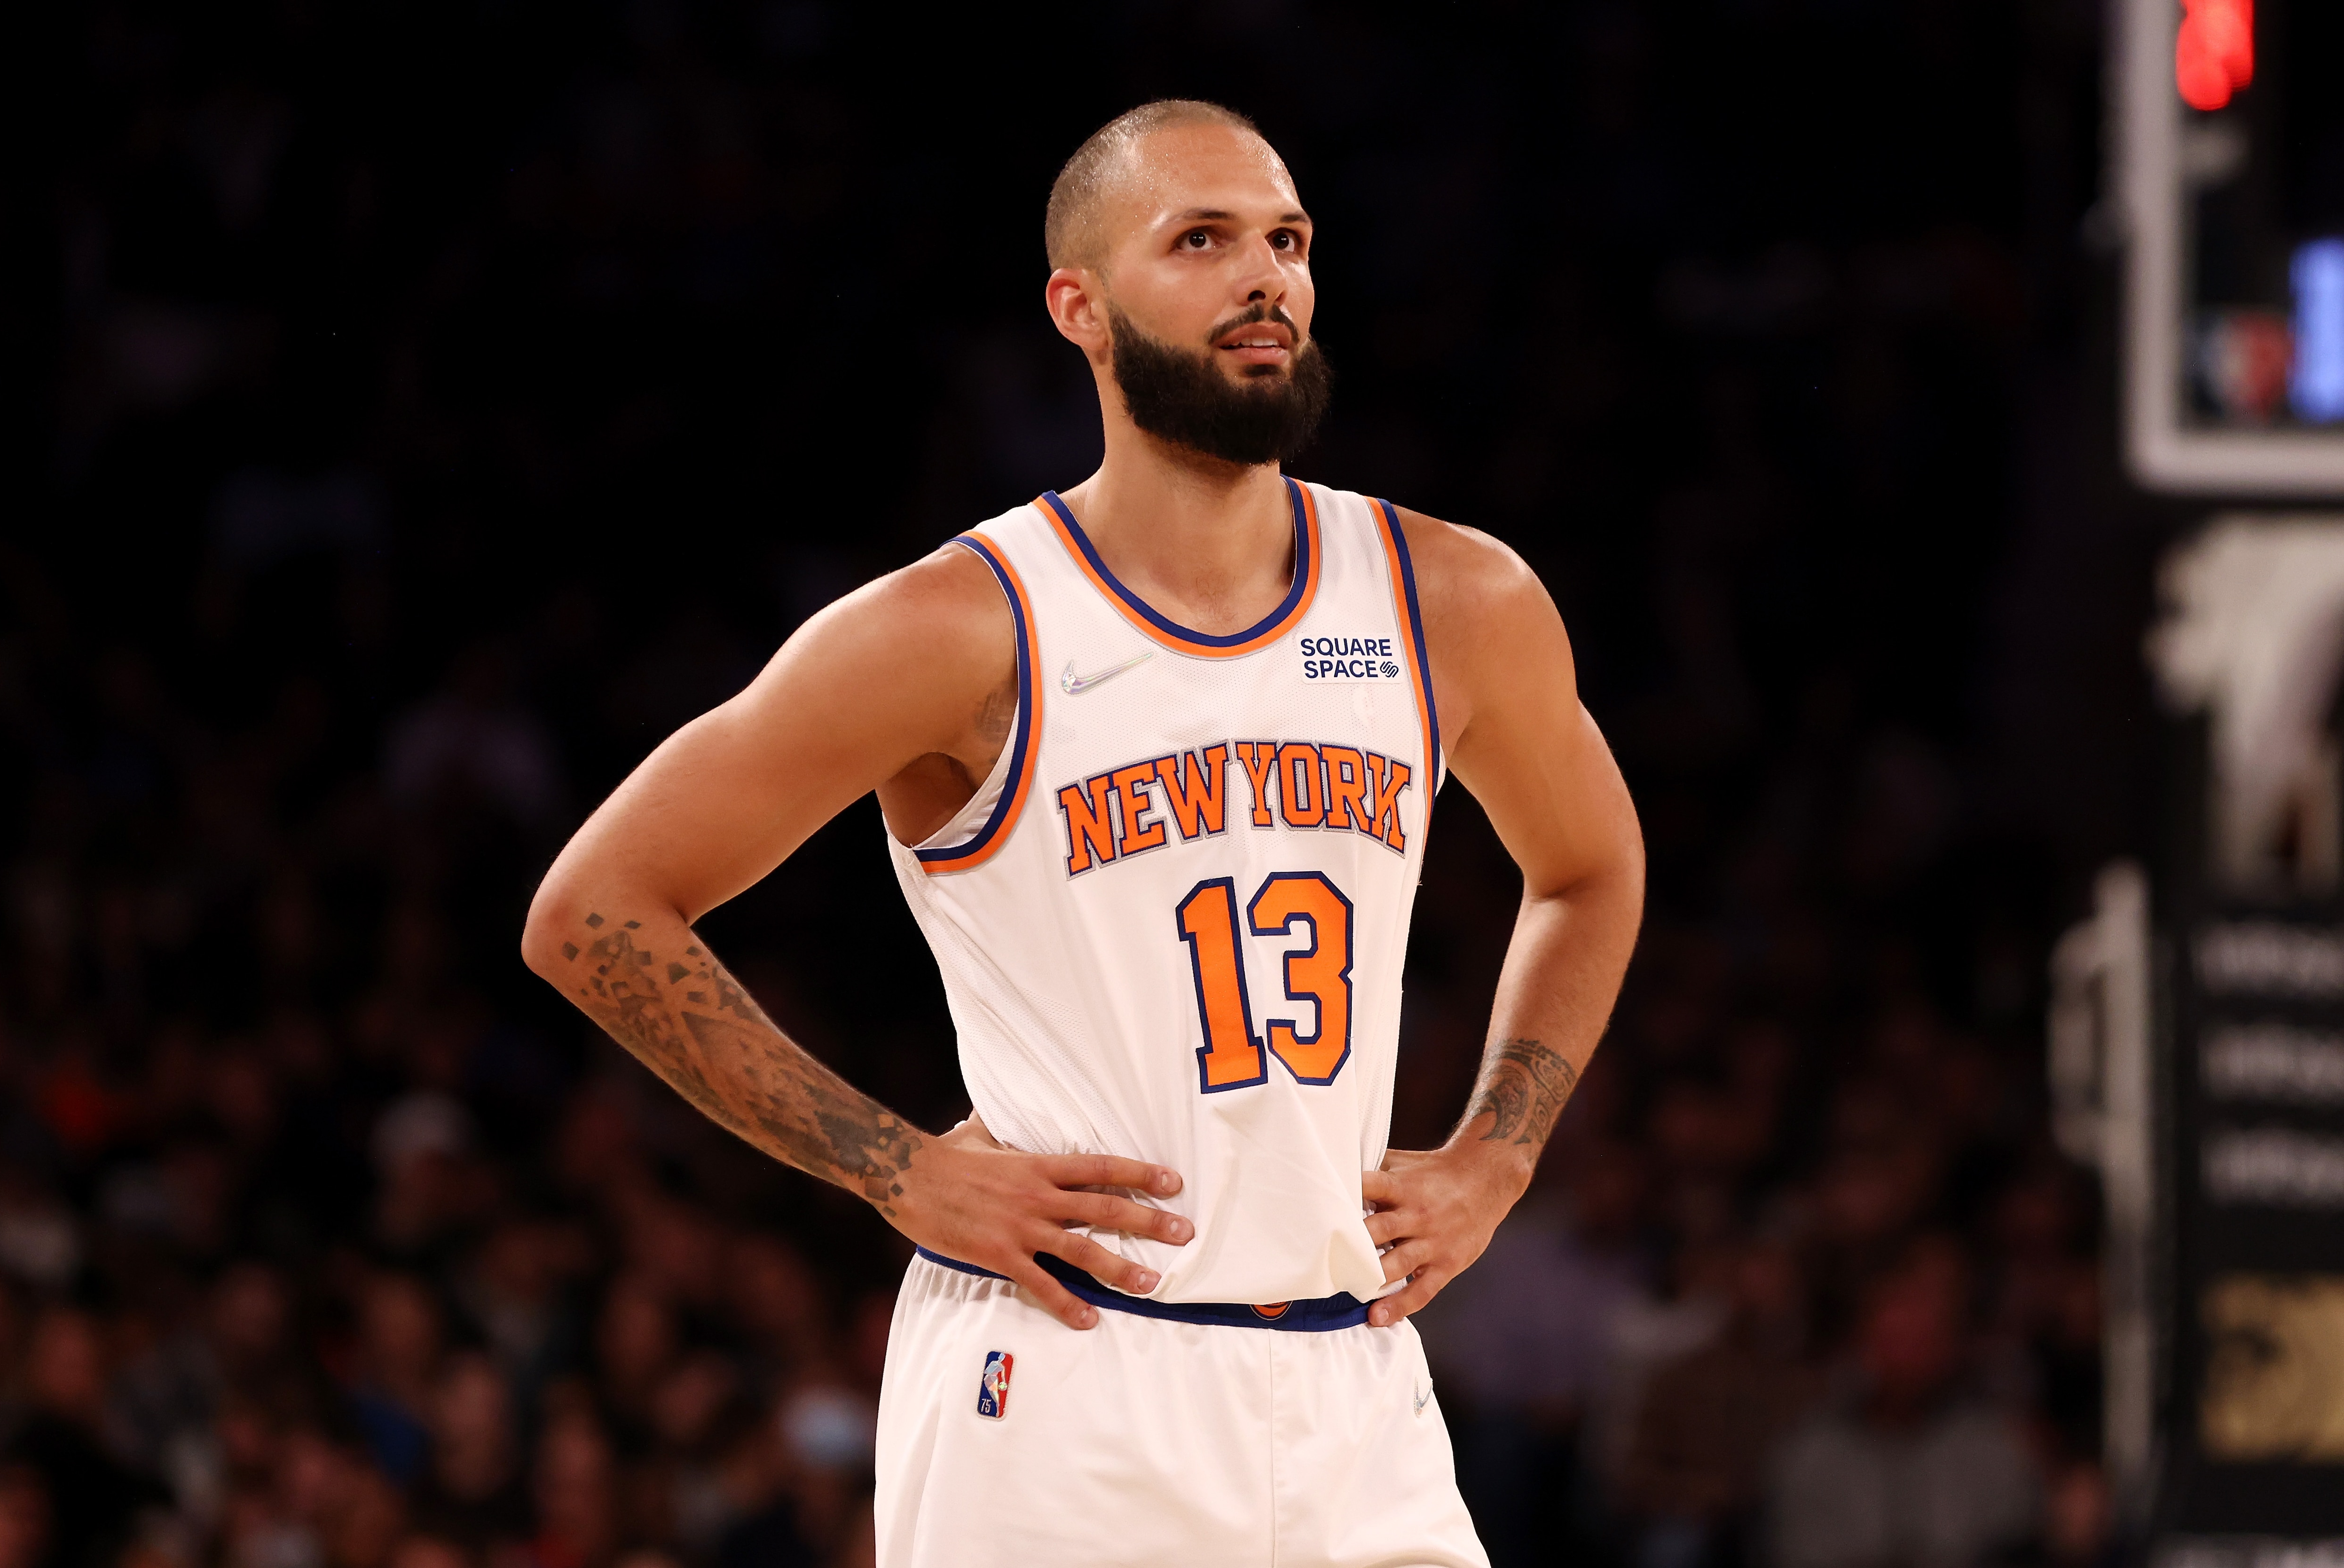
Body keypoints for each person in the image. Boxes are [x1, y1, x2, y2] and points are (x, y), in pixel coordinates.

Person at [521, 98, 1644, 1567]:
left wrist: (1500, 1155)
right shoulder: (961, 626)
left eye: (1288, 241)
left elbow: (1590, 868)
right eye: (1202, 241)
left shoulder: (1456, 600)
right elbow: (594, 911)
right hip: (1062, 1379)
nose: (1267, 277)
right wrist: (893, 1166)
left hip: (1351, 1376)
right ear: (1081, 308)